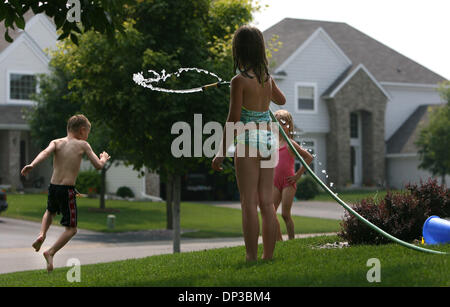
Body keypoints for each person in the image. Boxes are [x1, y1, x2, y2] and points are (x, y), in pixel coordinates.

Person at [211, 25, 286, 261]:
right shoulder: (267, 78)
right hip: (268, 140)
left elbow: (233, 119)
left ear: (239, 50)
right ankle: (269, 256)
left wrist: (220, 153)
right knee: (267, 203)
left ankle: (251, 256)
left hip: (248, 141)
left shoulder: (238, 81)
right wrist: (265, 90)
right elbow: (281, 99)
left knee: (248, 202)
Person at [21, 114, 110, 272]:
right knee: (71, 229)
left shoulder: (56, 142)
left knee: (50, 211)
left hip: (53, 186)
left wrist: (32, 164)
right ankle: (50, 252)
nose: (87, 135)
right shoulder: (83, 145)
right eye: (88, 132)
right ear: (82, 131)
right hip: (67, 190)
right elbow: (97, 166)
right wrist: (103, 159)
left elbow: (45, 153)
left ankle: (42, 234)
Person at [273, 110, 313, 241]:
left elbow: (309, 157)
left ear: (289, 126)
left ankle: (291, 240)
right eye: (277, 123)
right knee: (270, 213)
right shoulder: (273, 144)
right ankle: (278, 240)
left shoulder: (290, 143)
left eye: (283, 124)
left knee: (285, 214)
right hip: (274, 182)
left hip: (288, 183)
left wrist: (297, 175)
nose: (279, 126)